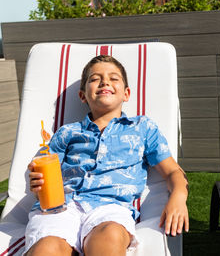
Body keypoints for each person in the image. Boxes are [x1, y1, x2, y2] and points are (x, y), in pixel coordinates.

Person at [25, 55, 189, 256]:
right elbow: (43, 172)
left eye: (114, 78)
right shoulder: (67, 132)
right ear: (83, 96)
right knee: (47, 248)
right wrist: (37, 182)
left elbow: (172, 171)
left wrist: (179, 196)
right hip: (61, 207)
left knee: (109, 236)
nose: (104, 82)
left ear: (126, 94)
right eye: (94, 79)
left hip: (111, 208)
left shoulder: (142, 128)